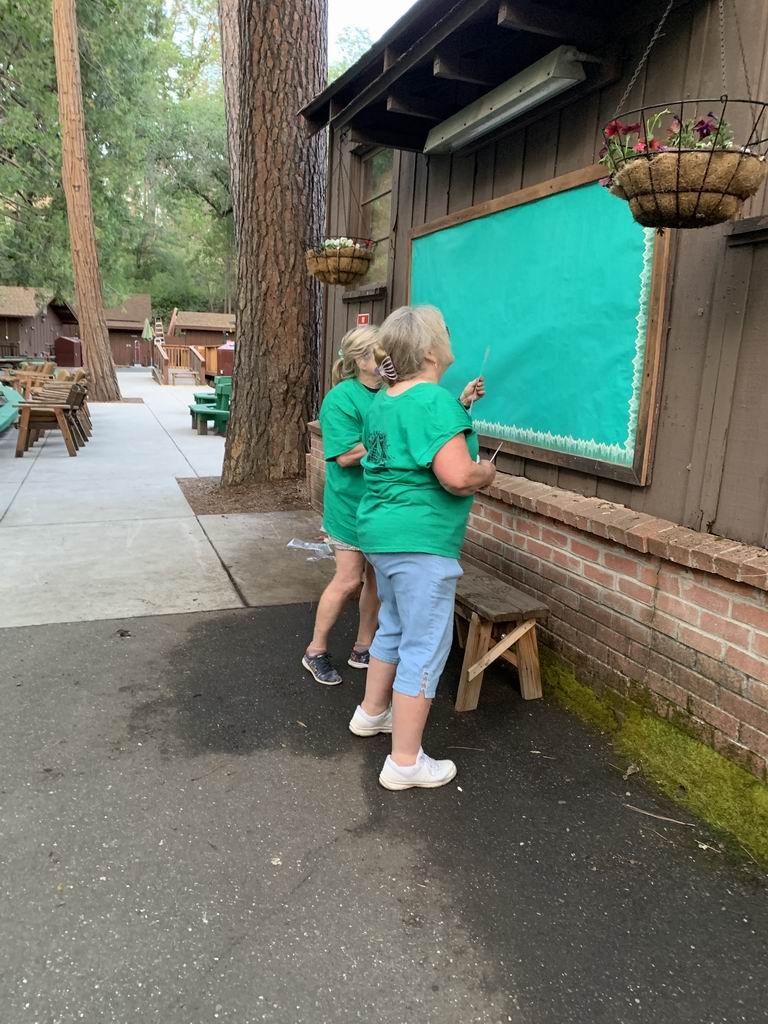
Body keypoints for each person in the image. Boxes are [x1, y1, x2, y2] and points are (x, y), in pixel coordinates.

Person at [348, 305, 495, 790]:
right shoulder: (434, 403)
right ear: (431, 352)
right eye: (445, 332)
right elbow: (457, 477)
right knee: (425, 645)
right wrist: (485, 473)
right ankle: (405, 762)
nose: (452, 337)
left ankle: (372, 713)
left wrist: (460, 404)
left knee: (392, 625)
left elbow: (412, 437)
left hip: (381, 536)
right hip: (421, 542)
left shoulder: (385, 400)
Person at [302, 325, 384, 686]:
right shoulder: (340, 399)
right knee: (349, 579)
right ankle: (315, 650)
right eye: (381, 353)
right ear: (361, 361)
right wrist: (387, 437)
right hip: (350, 506)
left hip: (383, 505)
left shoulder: (391, 393)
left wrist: (462, 402)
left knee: (376, 581)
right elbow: (345, 457)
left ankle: (363, 648)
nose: (388, 359)